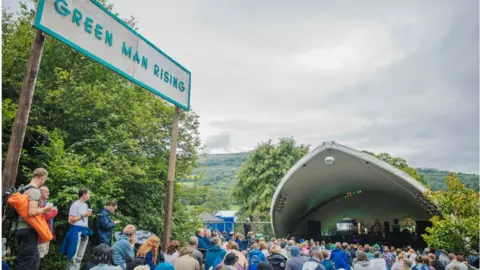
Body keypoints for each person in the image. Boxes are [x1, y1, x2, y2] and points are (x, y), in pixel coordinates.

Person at [12, 168, 51, 269]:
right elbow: (32, 212)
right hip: (29, 229)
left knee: (34, 260)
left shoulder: (23, 189)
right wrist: (45, 208)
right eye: (45, 179)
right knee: (25, 264)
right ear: (42, 177)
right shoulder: (34, 191)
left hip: (20, 228)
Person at [62, 188, 94, 270]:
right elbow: (70, 220)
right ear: (84, 194)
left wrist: (86, 215)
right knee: (73, 255)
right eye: (88, 194)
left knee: (80, 256)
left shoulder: (86, 205)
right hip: (76, 231)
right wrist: (83, 215)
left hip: (85, 231)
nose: (89, 195)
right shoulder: (75, 205)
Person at [38, 186, 58, 260]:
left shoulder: (46, 204)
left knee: (40, 257)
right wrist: (54, 211)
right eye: (46, 192)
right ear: (40, 193)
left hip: (46, 236)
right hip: (41, 237)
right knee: (37, 258)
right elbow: (47, 216)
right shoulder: (38, 204)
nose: (48, 193)